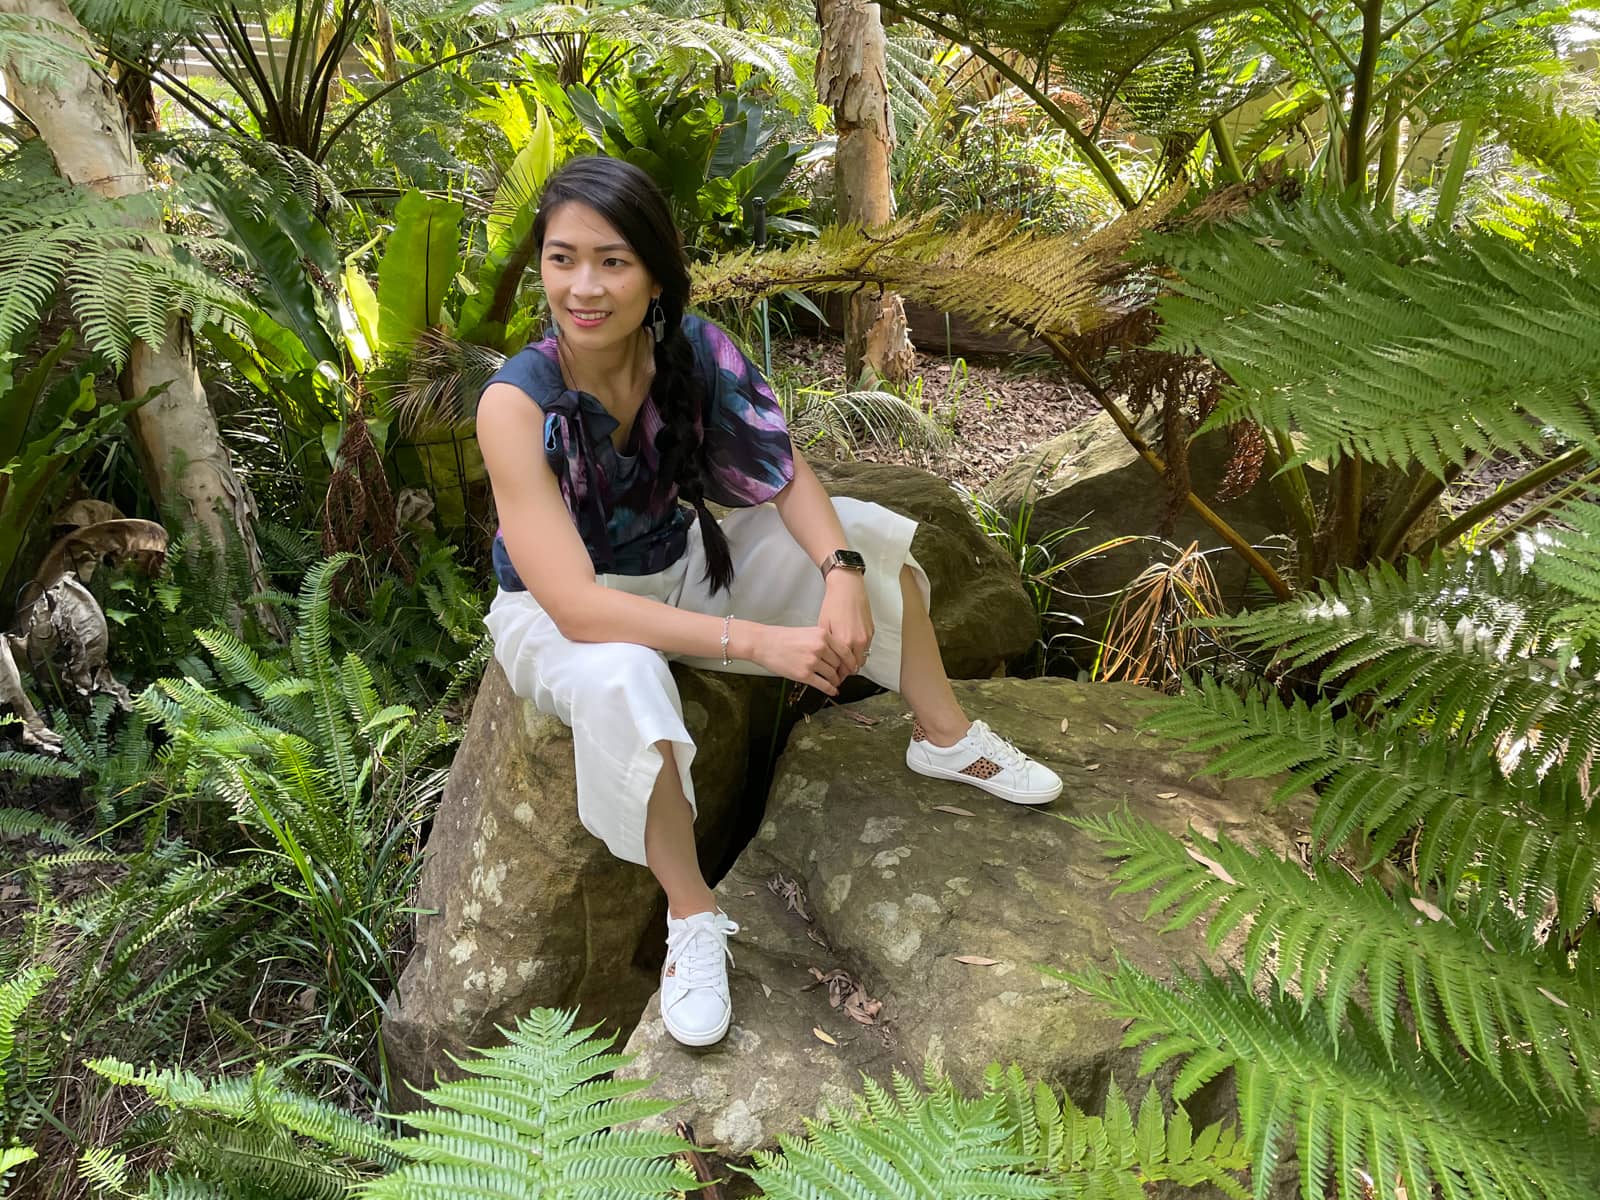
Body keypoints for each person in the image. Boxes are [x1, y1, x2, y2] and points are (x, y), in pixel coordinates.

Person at [477, 155, 1063, 1049]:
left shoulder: (696, 350)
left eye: (612, 261)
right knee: (626, 679)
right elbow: (579, 609)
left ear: (656, 274)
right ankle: (691, 917)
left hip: (683, 559)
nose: (583, 287)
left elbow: (785, 474)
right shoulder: (517, 405)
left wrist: (837, 571)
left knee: (874, 542)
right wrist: (760, 643)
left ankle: (945, 739)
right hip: (565, 613)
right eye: (562, 259)